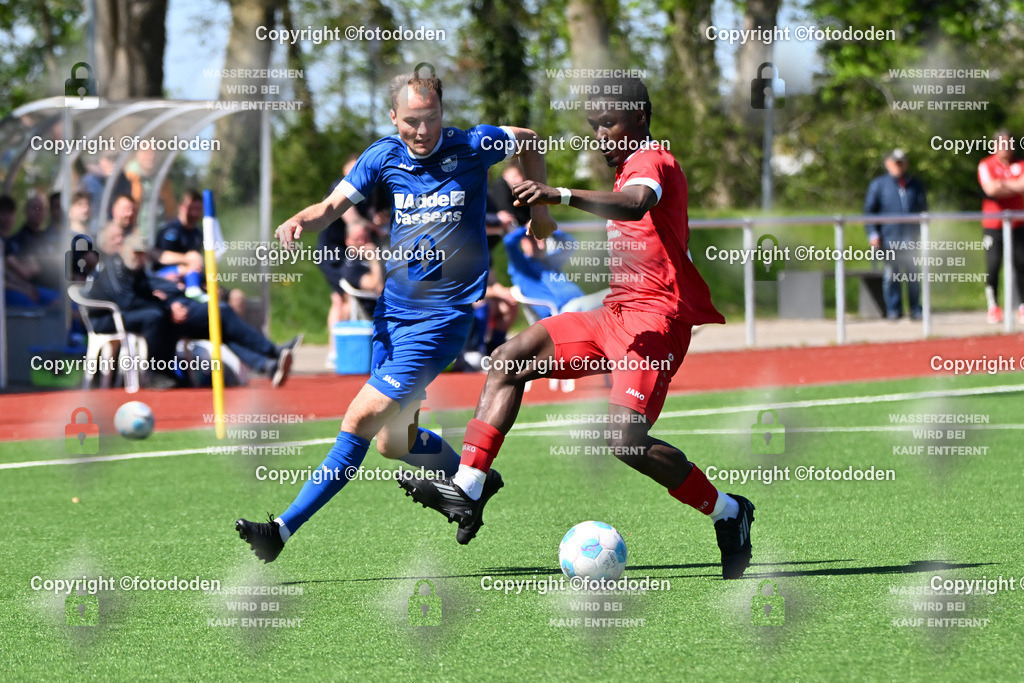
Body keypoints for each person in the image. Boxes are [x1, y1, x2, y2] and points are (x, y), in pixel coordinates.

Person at [399, 77, 756, 580]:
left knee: (626, 441)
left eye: (609, 123)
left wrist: (558, 193)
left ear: (641, 117)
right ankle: (470, 486)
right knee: (508, 360)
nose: (600, 134)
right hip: (615, 313)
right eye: (593, 126)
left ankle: (729, 513)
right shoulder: (625, 166)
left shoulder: (654, 160)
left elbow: (637, 202)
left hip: (656, 323)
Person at [234, 65, 554, 563]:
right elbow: (330, 206)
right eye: (410, 121)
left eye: (429, 119)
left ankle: (280, 530)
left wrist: (540, 207)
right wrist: (301, 218)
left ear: (442, 113)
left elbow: (530, 140)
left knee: (358, 418)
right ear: (393, 117)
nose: (421, 131)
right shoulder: (383, 156)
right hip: (392, 317)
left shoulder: (474, 145)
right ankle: (474, 481)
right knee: (393, 442)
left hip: (442, 319)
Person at [864, 149, 928, 321]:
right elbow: (870, 212)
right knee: (892, 275)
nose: (899, 166)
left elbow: (924, 211)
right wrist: (873, 234)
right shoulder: (879, 185)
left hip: (911, 239)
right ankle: (894, 310)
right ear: (887, 164)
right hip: (889, 239)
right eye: (895, 162)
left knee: (913, 275)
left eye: (902, 162)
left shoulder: (915, 185)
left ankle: (916, 309)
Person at [504, 225, 609, 317]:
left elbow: (571, 244)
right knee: (617, 294)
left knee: (616, 300)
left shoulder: (551, 261)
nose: (538, 241)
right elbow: (509, 242)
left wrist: (549, 228)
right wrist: (527, 228)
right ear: (523, 243)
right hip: (561, 312)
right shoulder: (521, 267)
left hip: (580, 304)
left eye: (540, 237)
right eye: (532, 239)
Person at [977, 128, 1024, 324]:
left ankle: (1022, 306)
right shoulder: (986, 164)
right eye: (1001, 144)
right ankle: (993, 306)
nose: (1005, 148)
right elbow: (991, 189)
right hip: (993, 224)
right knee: (993, 264)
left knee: (1021, 263)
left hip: (1018, 223)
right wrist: (1012, 185)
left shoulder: (1021, 164)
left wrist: (1003, 184)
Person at [1, 195, 59, 308]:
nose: (6, 218)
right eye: (3, 213)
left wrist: (25, 287)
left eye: (10, 213)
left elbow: (8, 274)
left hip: (35, 288)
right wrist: (23, 288)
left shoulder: (48, 238)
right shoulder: (18, 240)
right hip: (11, 293)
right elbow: (23, 272)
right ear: (26, 211)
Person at [154, 190, 206, 299]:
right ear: (182, 207)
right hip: (163, 276)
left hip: (188, 277)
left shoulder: (198, 233)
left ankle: (195, 289)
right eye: (191, 208)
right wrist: (187, 258)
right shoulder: (170, 230)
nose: (195, 213)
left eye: (198, 209)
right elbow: (160, 256)